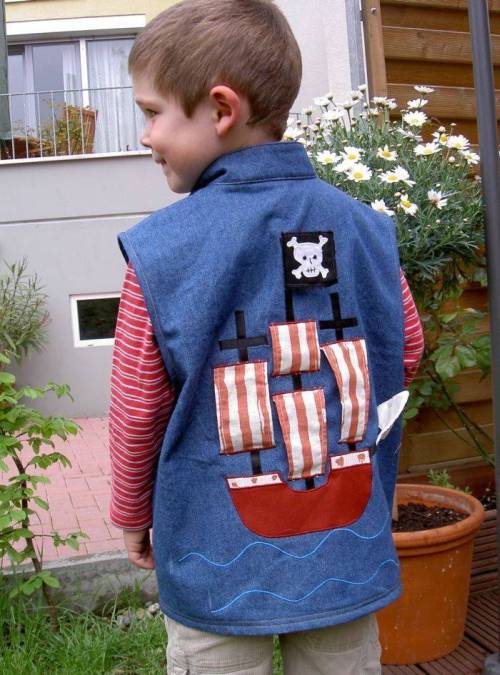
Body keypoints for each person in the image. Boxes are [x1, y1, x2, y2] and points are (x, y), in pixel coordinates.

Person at [108, 1, 424, 673]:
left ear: (221, 109)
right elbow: (407, 346)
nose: (145, 134)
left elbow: (138, 406)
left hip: (215, 563)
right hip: (345, 552)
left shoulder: (161, 252)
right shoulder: (367, 231)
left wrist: (132, 509)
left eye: (152, 112)